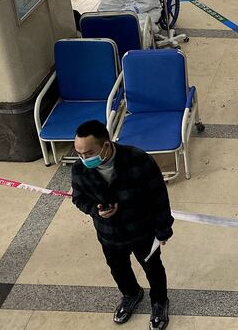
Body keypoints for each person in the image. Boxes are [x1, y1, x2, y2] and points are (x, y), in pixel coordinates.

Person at [71, 120, 173, 329]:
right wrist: (95, 210)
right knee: (118, 269)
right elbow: (78, 198)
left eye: (89, 153)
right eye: (79, 154)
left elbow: (159, 197)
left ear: (106, 145)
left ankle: (159, 301)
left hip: (142, 232)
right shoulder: (80, 170)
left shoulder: (138, 161)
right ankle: (131, 294)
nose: (84, 159)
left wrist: (163, 229)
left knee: (153, 268)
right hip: (109, 235)